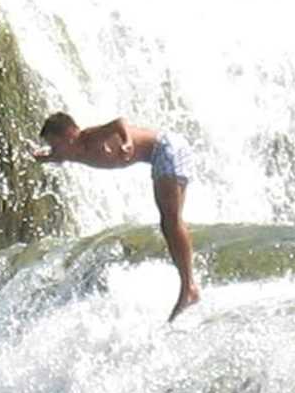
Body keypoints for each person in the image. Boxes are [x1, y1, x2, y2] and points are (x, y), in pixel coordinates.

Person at [33, 112, 200, 320]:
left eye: (55, 145)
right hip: (164, 153)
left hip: (166, 149)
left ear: (70, 135)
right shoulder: (71, 151)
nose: (54, 151)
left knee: (171, 220)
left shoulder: (89, 137)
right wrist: (45, 158)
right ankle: (188, 285)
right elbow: (57, 156)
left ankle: (189, 287)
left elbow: (119, 123)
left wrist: (127, 141)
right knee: (169, 222)